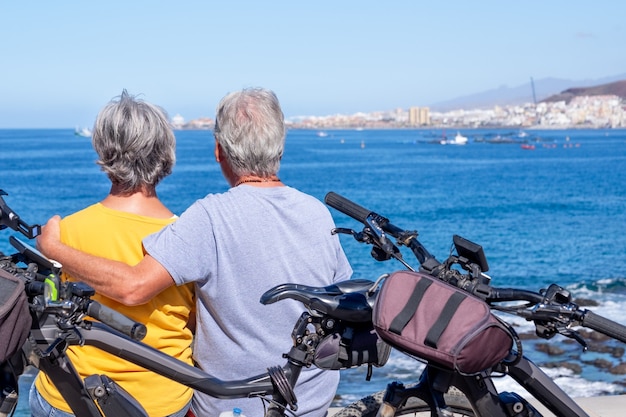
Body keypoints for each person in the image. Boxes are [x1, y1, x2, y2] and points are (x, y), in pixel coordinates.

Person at [37, 87, 353, 417]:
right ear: (280, 148)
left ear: (219, 151)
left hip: (236, 405)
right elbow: (339, 297)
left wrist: (53, 247)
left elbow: (133, 286)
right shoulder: (317, 213)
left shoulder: (209, 218)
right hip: (310, 400)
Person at [31, 90, 195, 417]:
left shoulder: (65, 231)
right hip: (161, 401)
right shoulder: (186, 235)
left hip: (72, 398)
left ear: (104, 150)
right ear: (164, 153)